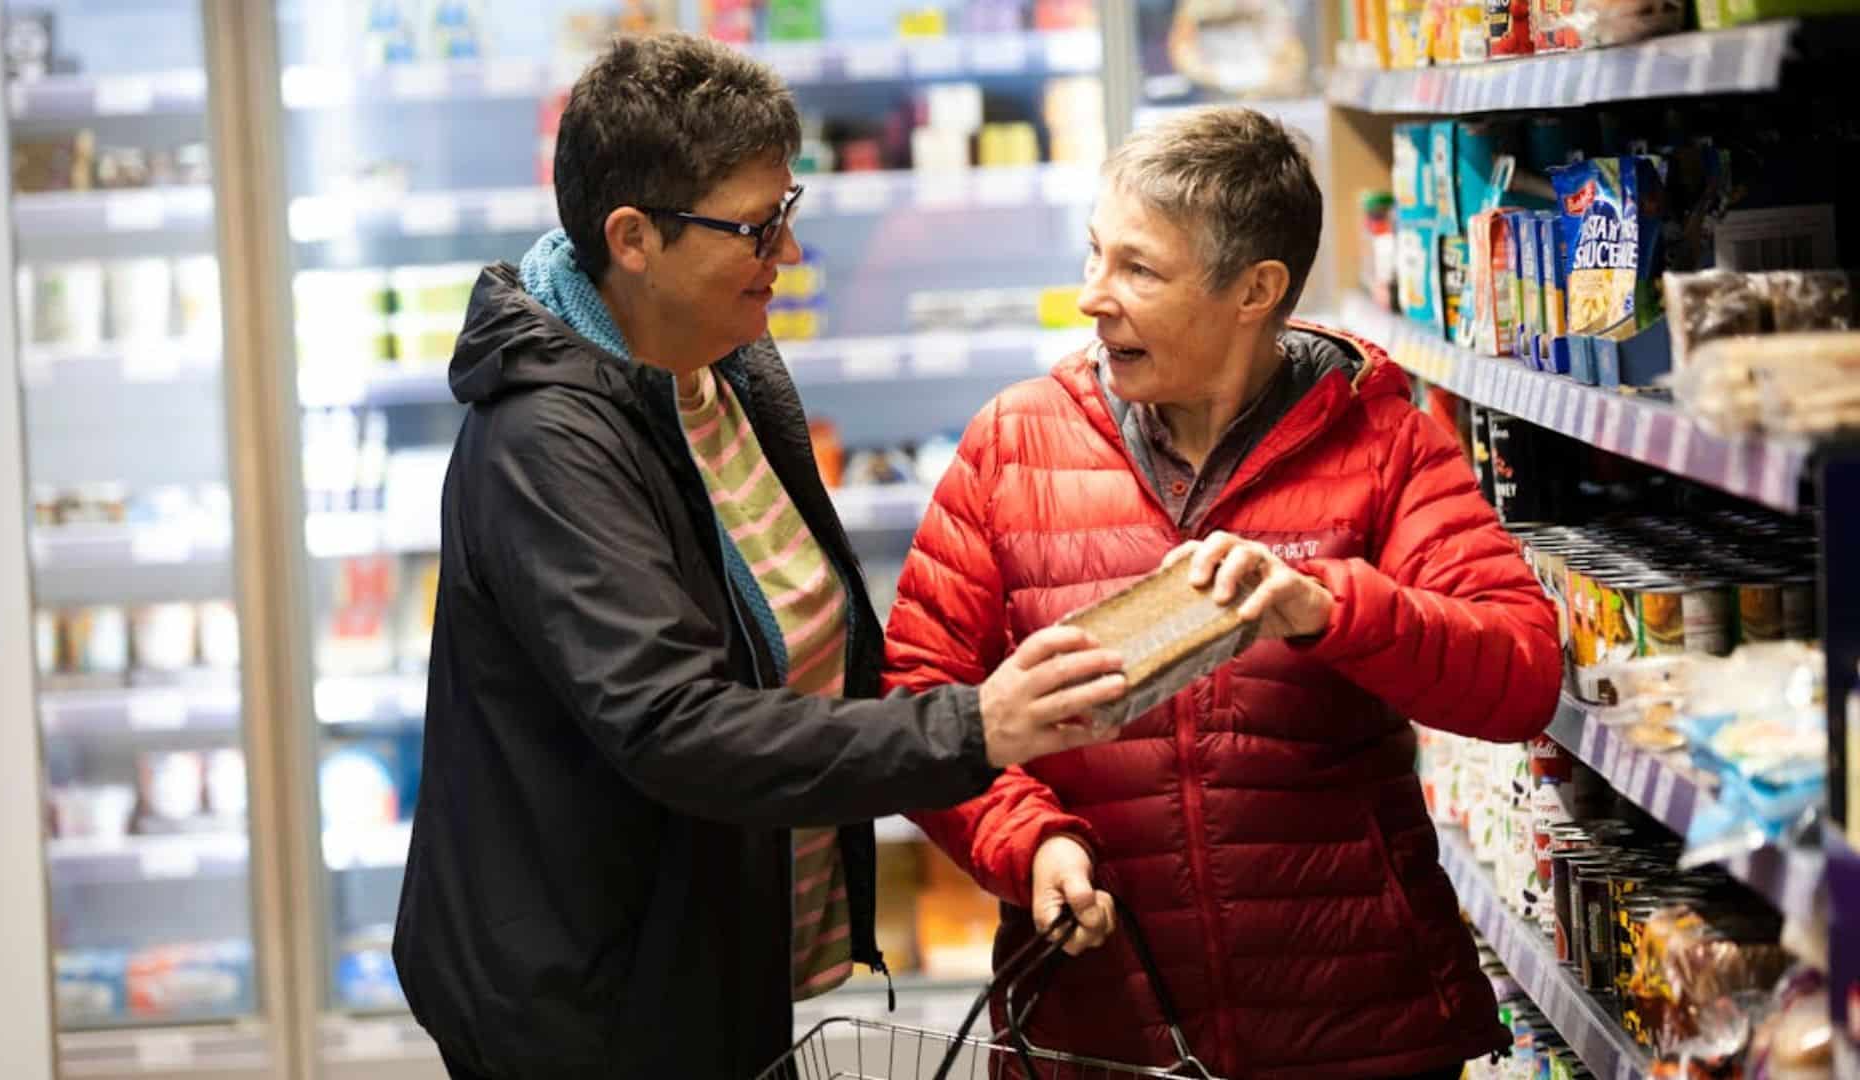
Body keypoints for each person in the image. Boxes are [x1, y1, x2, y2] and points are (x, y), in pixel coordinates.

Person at [391, 33, 1130, 1080]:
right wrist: (976, 727)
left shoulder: (713, 368)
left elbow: (811, 648)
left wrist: (1020, 819)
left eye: (789, 213)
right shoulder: (546, 446)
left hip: (709, 954)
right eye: (757, 227)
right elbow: (676, 723)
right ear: (634, 238)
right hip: (589, 1011)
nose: (787, 253)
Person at [884, 107, 1564, 1080]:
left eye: (1139, 271)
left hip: (1357, 1029)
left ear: (1256, 290)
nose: (1092, 299)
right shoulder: (1014, 443)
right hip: (1102, 1029)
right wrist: (1027, 842)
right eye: (1094, 255)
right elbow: (919, 692)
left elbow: (1520, 677)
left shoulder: (1381, 443)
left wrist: (1327, 607)